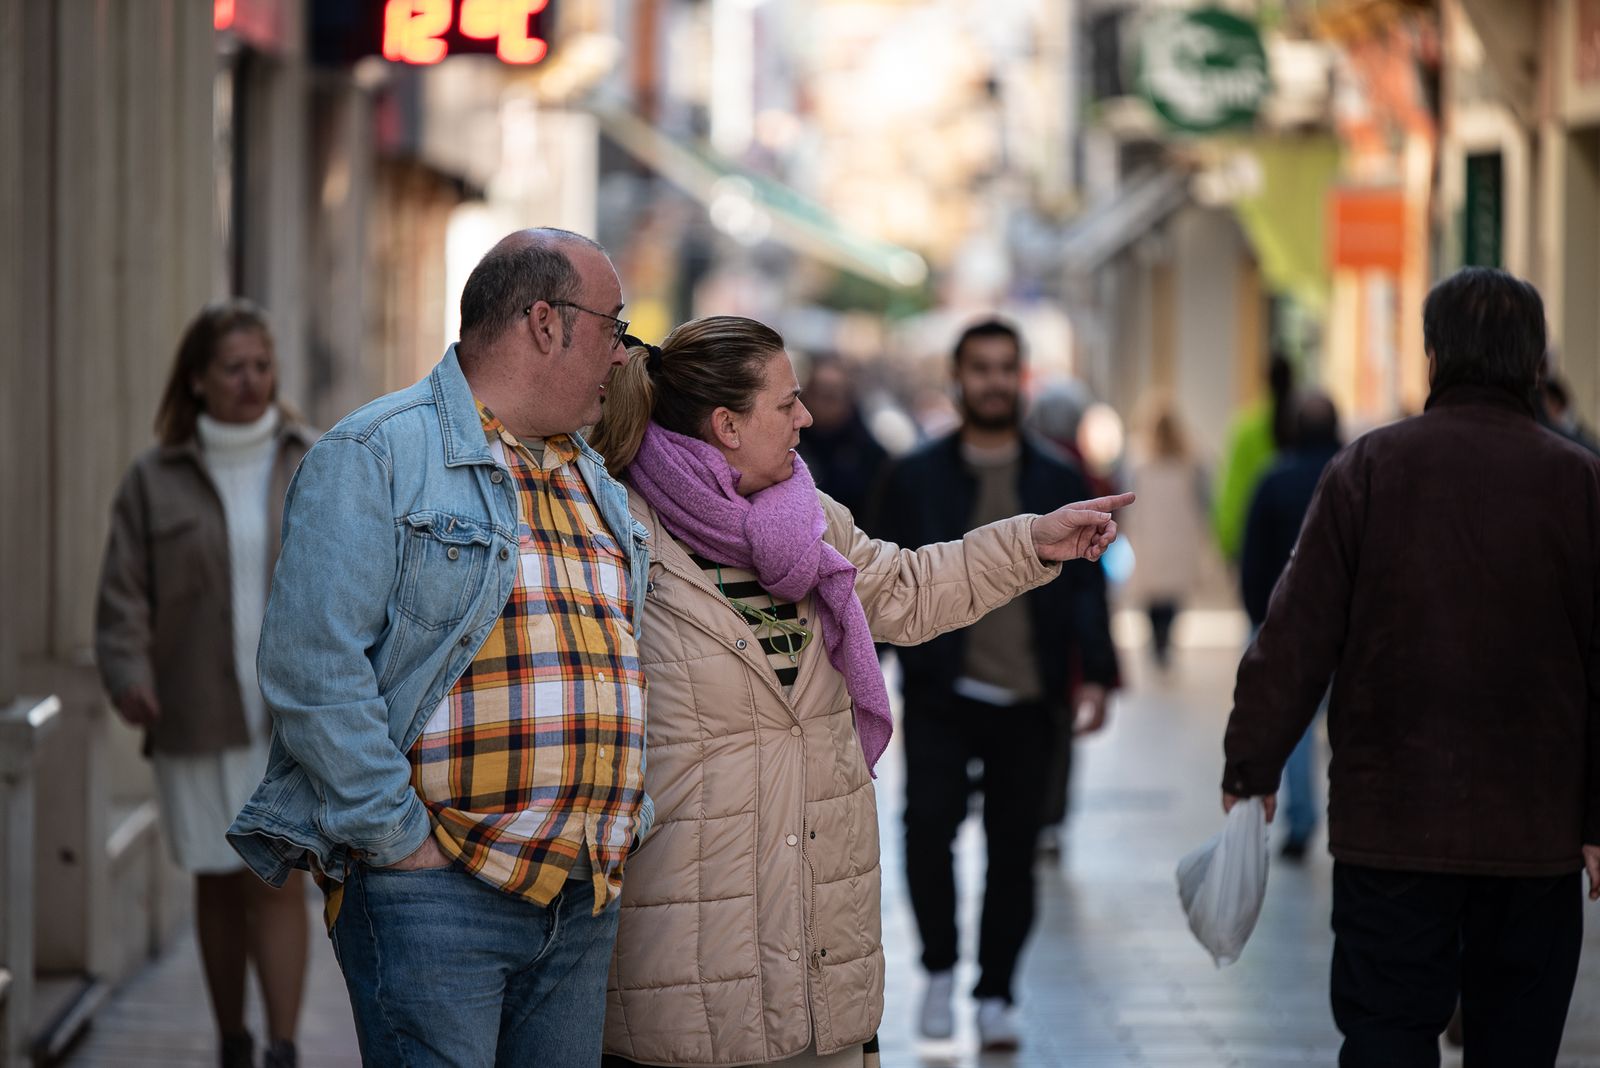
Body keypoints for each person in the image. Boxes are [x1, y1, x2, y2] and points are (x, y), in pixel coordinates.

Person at [586, 317, 1130, 1067]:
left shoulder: (810, 522)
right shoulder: (616, 536)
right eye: (787, 404)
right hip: (691, 957)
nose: (806, 418)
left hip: (819, 954)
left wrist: (1031, 541)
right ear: (728, 425)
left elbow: (906, 588)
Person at [227, 229, 650, 1067]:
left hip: (578, 898)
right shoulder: (376, 452)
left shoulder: (590, 475)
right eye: (614, 326)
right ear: (544, 323)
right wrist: (399, 844)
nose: (624, 354)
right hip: (436, 892)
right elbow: (312, 671)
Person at [1220, 267, 1600, 1067]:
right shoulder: (1580, 484)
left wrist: (1251, 765)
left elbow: (1295, 634)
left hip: (1390, 822)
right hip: (1534, 830)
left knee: (1387, 1031)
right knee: (1517, 1043)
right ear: (1536, 365)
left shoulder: (1368, 469)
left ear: (1432, 357)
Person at [873, 319, 1121, 1050]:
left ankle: (997, 992)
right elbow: (884, 584)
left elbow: (1086, 586)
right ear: (957, 377)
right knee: (927, 831)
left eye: (1003, 368)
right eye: (977, 367)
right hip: (941, 691)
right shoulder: (913, 475)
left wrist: (1097, 674)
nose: (990, 381)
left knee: (1017, 847)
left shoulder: (1057, 476)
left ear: (1021, 378)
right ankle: (942, 970)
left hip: (1030, 695)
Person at [95, 299, 313, 1068]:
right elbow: (122, 594)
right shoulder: (154, 480)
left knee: (277, 879)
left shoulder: (310, 458)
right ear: (196, 381)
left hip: (288, 721)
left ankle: (283, 1048)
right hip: (193, 711)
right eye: (233, 368)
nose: (252, 382)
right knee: (219, 880)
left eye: (263, 365)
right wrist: (128, 675)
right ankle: (232, 1042)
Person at [1238, 391, 1341, 860]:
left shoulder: (1273, 480)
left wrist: (1257, 616)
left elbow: (1252, 558)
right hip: (1346, 625)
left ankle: (1302, 821)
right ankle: (1345, 817)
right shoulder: (1352, 477)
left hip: (1285, 626)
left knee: (1295, 730)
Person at [1125, 401, 1208, 670]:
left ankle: (1157, 640)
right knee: (1172, 595)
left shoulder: (1139, 466)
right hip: (1179, 538)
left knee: (1153, 596)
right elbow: (1203, 502)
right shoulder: (1190, 466)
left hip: (1150, 538)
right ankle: (1165, 639)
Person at [1211, 351, 1294, 563]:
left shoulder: (1246, 427)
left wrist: (1227, 538)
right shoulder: (1299, 424)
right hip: (1294, 537)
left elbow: (1234, 488)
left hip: (1252, 538)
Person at [796, 353, 890, 526]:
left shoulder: (870, 454)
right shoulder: (789, 444)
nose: (823, 404)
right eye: (819, 394)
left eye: (832, 396)